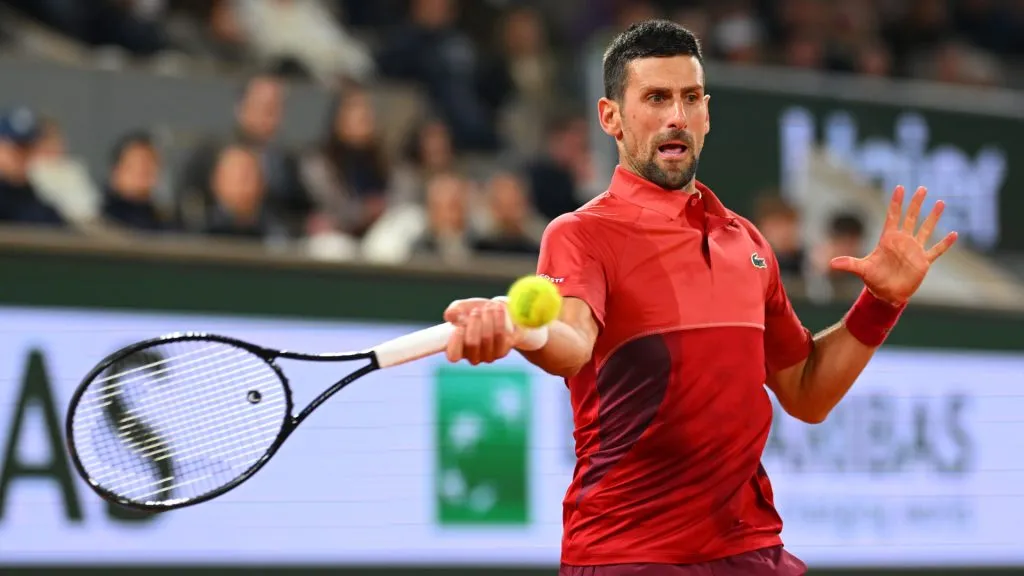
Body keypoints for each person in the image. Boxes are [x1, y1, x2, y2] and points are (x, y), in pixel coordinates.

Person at [441, 20, 958, 576]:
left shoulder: (748, 242)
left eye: (690, 98)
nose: (676, 117)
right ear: (610, 116)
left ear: (707, 113)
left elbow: (806, 392)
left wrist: (880, 303)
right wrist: (522, 331)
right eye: (656, 98)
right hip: (630, 555)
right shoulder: (579, 234)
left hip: (751, 550)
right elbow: (570, 344)